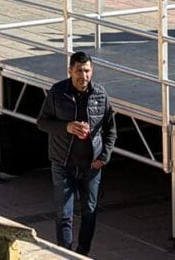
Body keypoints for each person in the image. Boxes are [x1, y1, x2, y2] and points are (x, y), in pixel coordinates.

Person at [36, 51, 117, 256]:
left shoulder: (100, 94)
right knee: (64, 214)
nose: (84, 76)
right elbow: (42, 122)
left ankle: (82, 253)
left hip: (91, 166)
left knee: (89, 212)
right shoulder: (57, 92)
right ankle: (66, 254)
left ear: (92, 71)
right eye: (79, 71)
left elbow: (111, 129)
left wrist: (103, 157)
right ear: (70, 71)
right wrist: (67, 127)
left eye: (87, 71)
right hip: (63, 164)